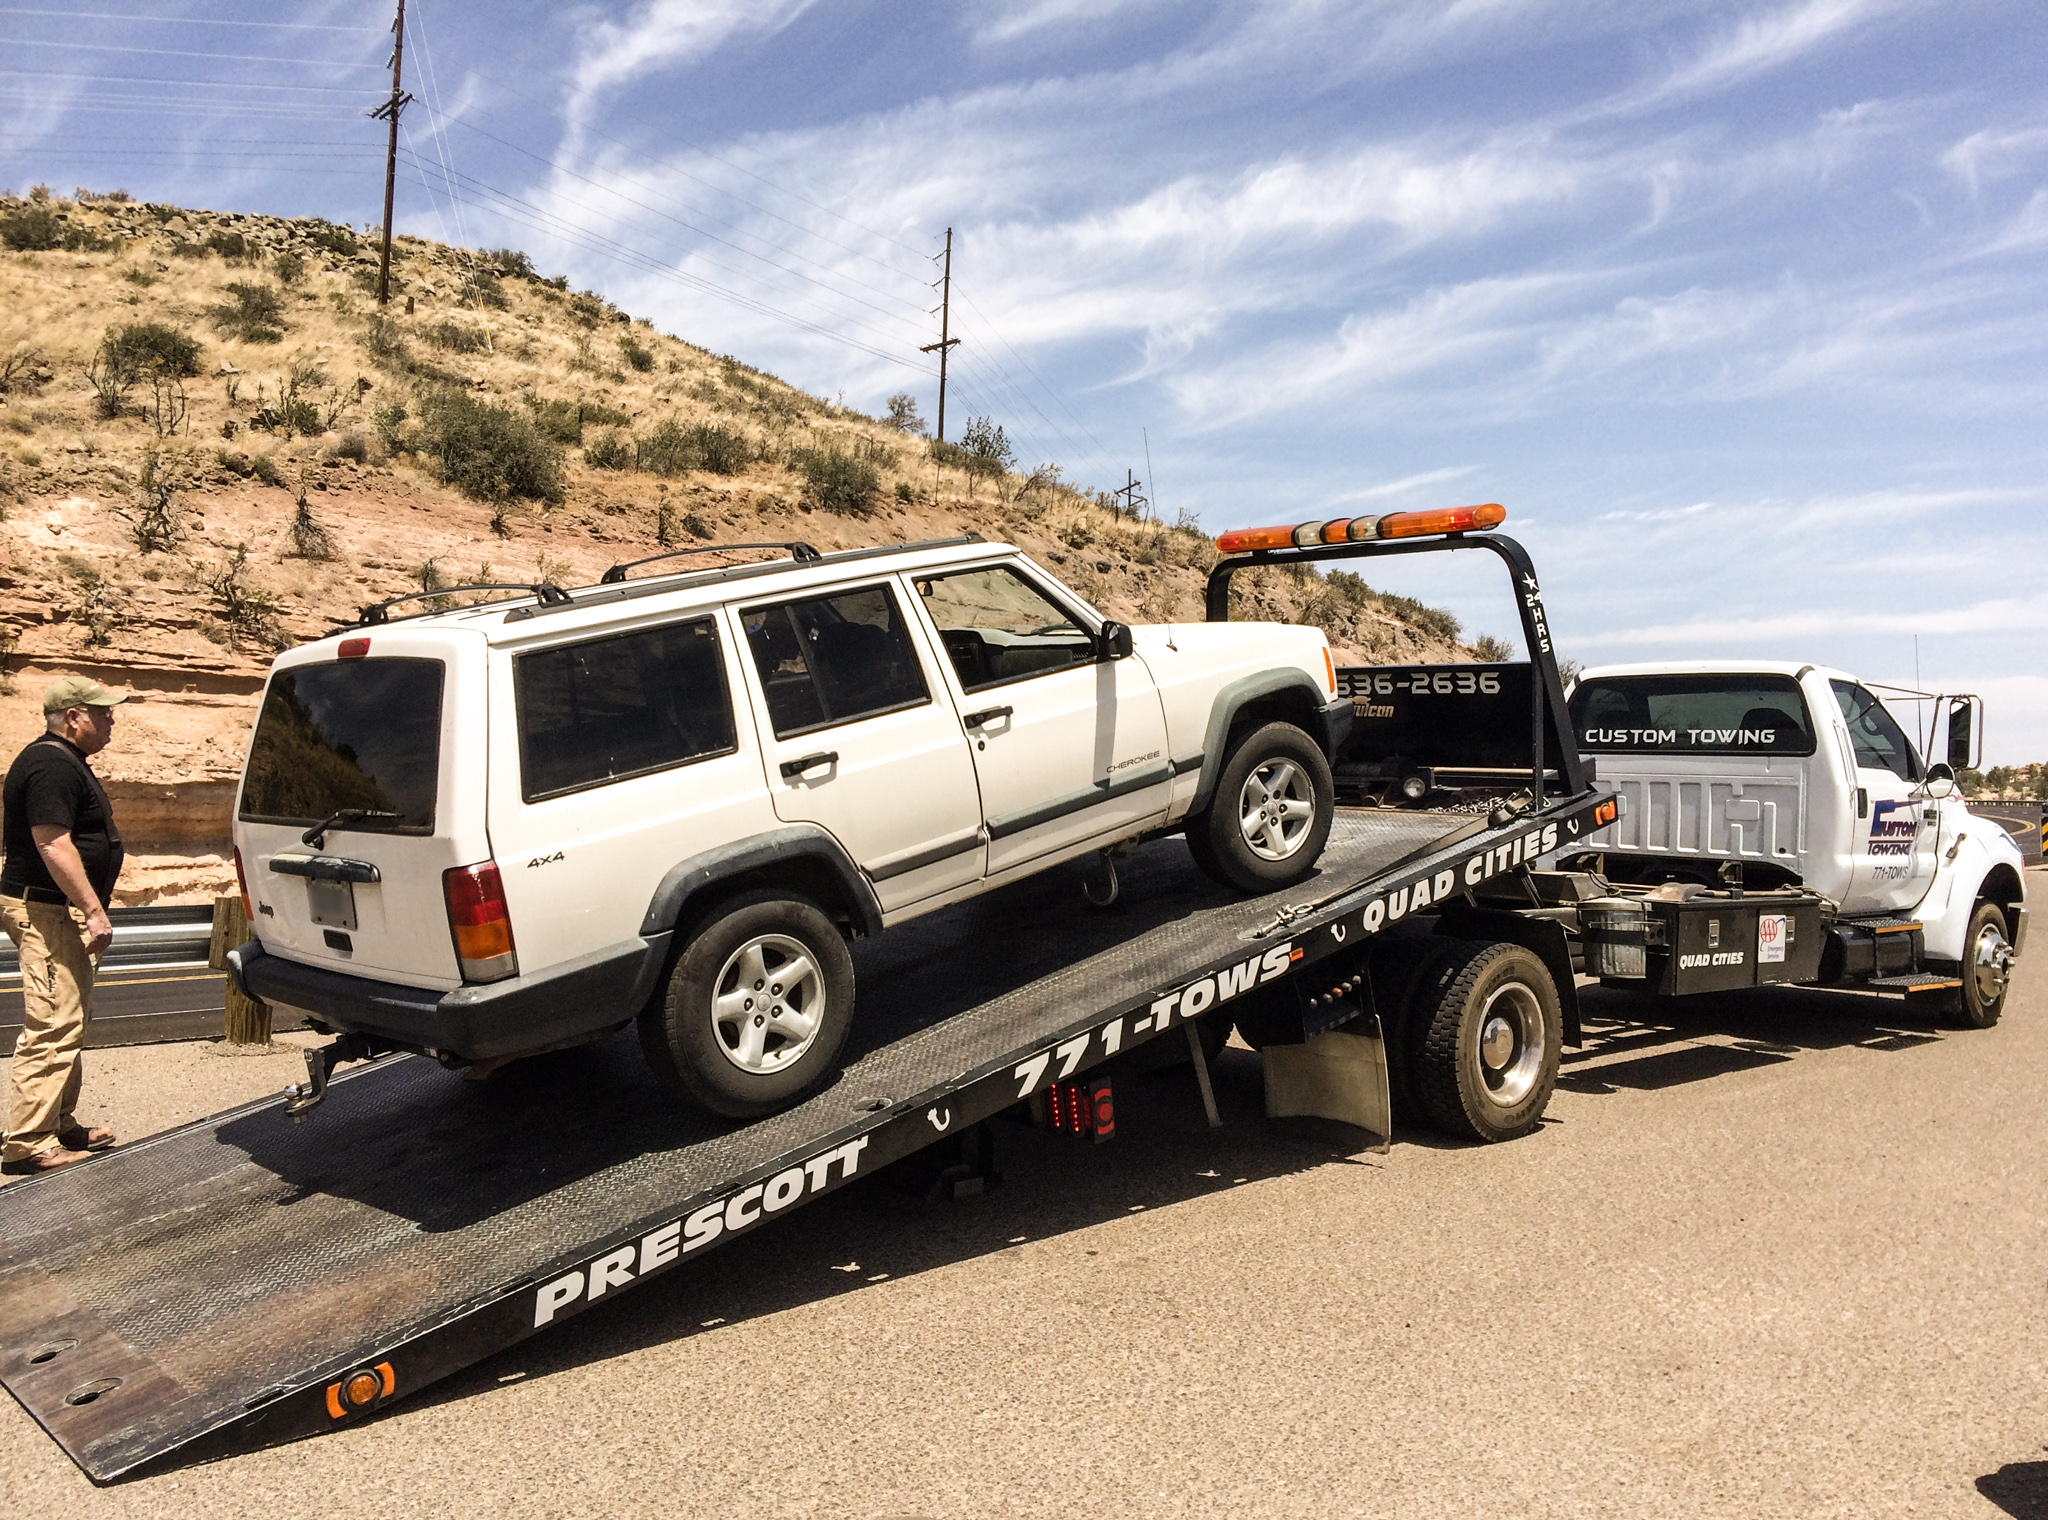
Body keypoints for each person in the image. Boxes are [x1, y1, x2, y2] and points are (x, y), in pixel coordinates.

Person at [1, 675, 128, 1175]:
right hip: (43, 909)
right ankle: (28, 1142)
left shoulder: (61, 761)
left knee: (69, 1016)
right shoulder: (51, 764)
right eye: (104, 713)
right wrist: (93, 910)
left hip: (53, 907)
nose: (112, 720)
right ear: (74, 717)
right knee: (54, 1021)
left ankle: (57, 1121)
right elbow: (53, 843)